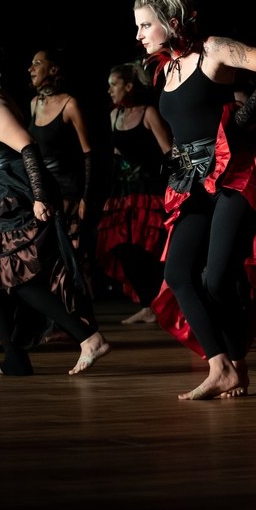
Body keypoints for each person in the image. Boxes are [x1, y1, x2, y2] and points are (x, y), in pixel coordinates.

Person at [133, 0, 256, 399]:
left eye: (145, 25)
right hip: (191, 180)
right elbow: (183, 131)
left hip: (232, 174)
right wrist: (173, 169)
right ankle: (221, 366)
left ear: (172, 20)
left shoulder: (214, 50)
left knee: (218, 279)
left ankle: (236, 364)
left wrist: (242, 119)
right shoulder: (166, 67)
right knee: (178, 274)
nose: (139, 34)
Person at [0, 37, 110, 376]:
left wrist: (39, 196)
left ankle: (88, 338)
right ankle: (15, 357)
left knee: (17, 276)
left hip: (9, 200)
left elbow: (27, 146)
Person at [23, 47, 98, 343]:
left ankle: (79, 324)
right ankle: (58, 323)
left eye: (37, 63)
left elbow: (89, 154)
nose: (31, 68)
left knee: (71, 260)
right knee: (45, 260)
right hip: (43, 194)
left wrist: (86, 198)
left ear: (53, 69)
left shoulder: (69, 104)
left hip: (68, 194)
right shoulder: (33, 104)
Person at [95, 61, 172, 324]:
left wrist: (177, 185)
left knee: (150, 246)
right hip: (123, 192)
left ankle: (162, 303)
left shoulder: (148, 113)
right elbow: (115, 156)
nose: (109, 90)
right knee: (120, 246)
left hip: (149, 190)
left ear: (129, 86)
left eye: (113, 85)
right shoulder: (114, 117)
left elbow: (168, 151)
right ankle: (148, 303)